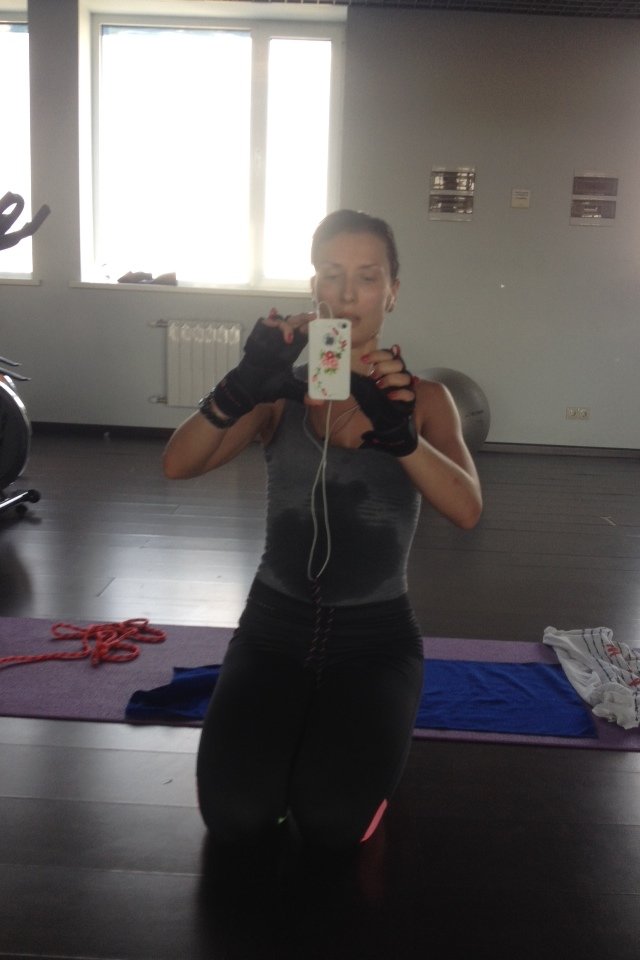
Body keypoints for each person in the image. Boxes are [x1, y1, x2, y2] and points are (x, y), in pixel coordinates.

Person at [163, 209, 482, 858]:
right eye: (332, 274)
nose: (347, 293)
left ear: (392, 291)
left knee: (334, 823)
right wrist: (239, 386)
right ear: (314, 287)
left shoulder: (424, 400)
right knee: (236, 818)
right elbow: (178, 464)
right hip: (272, 630)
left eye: (367, 277)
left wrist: (402, 438)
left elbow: (467, 508)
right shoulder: (278, 393)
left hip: (375, 640)